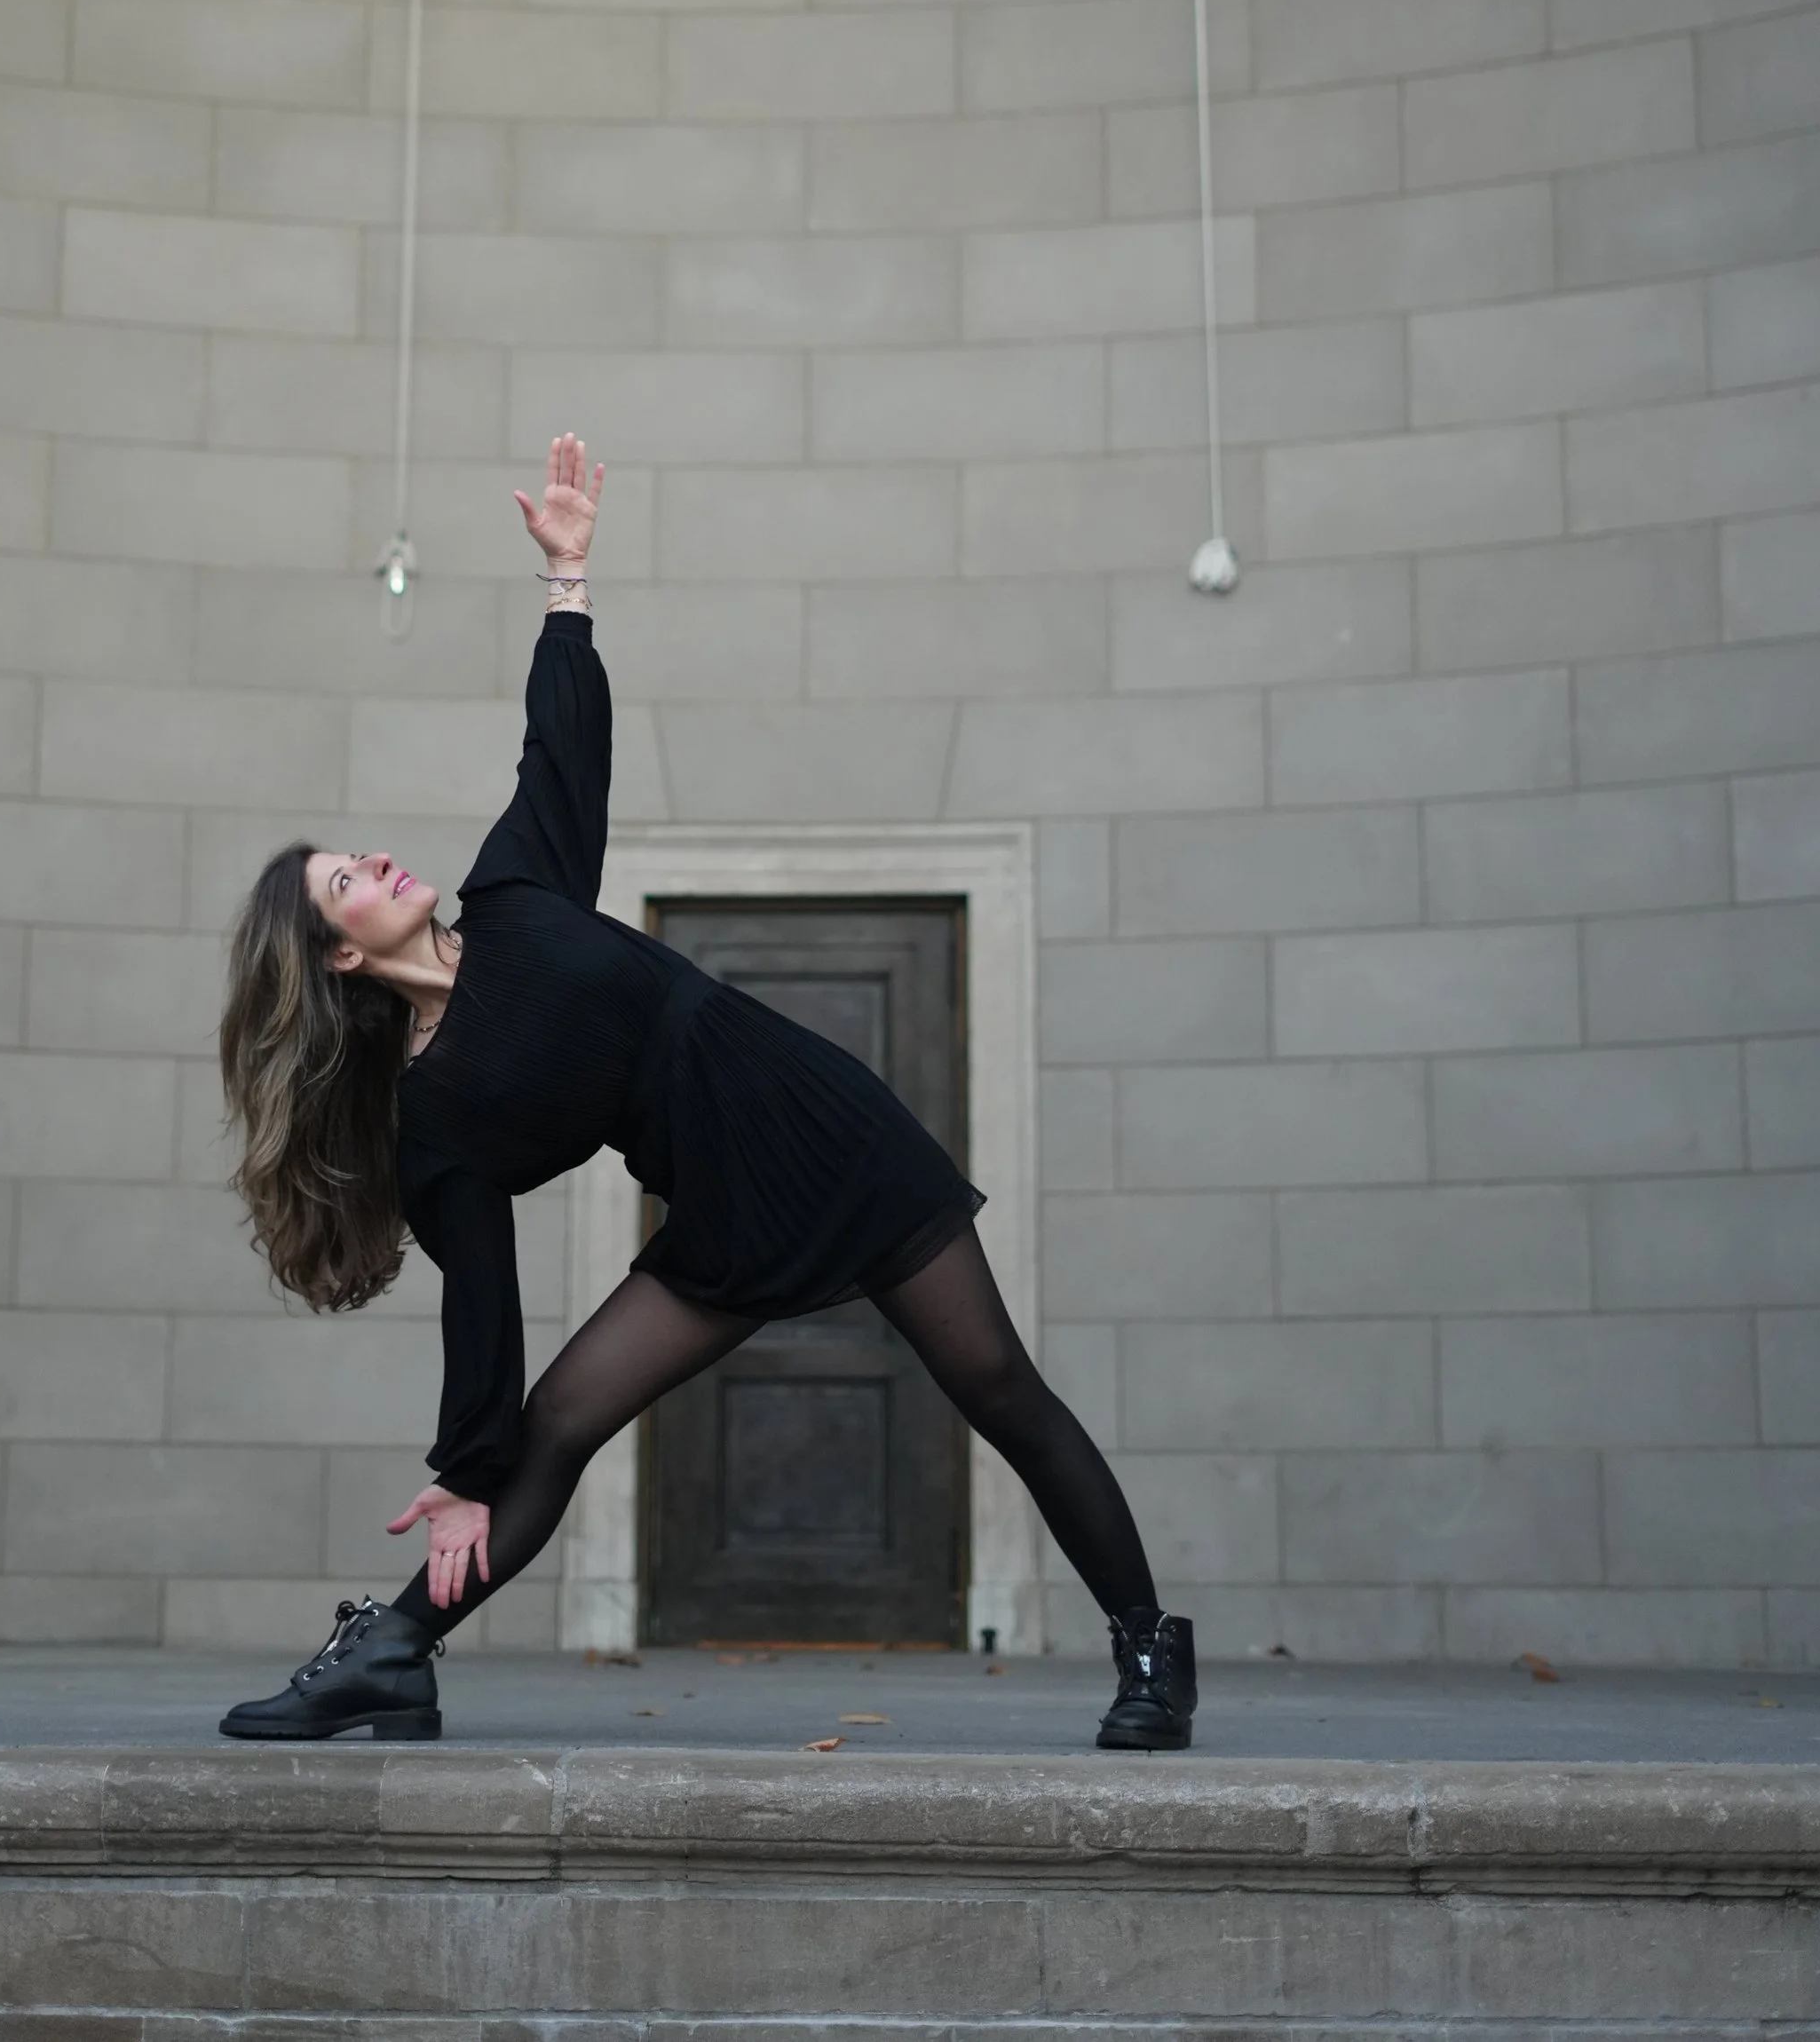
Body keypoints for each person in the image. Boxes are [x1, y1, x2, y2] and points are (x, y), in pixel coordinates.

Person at [215, 434, 1196, 1753]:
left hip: (826, 1132)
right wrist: (463, 1475)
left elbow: (557, 747)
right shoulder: (433, 1114)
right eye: (349, 881)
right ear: (339, 955)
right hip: (723, 1206)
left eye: (362, 853)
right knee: (559, 1418)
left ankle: (1149, 1652)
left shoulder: (516, 895)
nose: (381, 859)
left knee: (998, 1385)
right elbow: (484, 1300)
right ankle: (392, 1650)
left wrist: (569, 579)